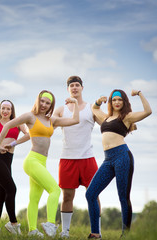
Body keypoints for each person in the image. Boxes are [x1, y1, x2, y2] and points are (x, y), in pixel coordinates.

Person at [0, 90, 80, 237]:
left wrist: (75, 103)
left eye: (47, 103)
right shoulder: (30, 116)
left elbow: (75, 120)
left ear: (51, 106)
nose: (44, 105)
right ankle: (50, 223)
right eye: (42, 101)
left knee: (34, 198)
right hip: (32, 160)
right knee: (55, 189)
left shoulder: (52, 120)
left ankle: (32, 230)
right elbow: (7, 125)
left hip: (42, 162)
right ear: (37, 100)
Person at [86, 89, 152, 239]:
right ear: (111, 102)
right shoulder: (106, 118)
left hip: (122, 157)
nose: (116, 102)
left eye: (119, 100)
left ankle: (126, 235)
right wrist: (98, 101)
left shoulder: (127, 117)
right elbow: (94, 108)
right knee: (90, 193)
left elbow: (148, 111)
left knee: (123, 196)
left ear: (124, 102)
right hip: (108, 159)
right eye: (114, 100)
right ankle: (95, 233)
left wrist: (140, 94)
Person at [53, 76, 101, 238]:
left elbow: (107, 122)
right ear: (68, 89)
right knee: (67, 196)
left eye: (77, 85)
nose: (74, 88)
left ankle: (96, 231)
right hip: (67, 158)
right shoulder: (61, 109)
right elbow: (48, 123)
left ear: (82, 88)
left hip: (88, 158)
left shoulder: (91, 108)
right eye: (71, 86)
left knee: (93, 194)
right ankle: (65, 232)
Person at [0, 100, 30, 234]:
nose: (5, 111)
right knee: (12, 189)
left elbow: (28, 135)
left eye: (8, 109)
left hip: (8, 162)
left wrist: (14, 143)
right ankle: (13, 223)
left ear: (12, 111)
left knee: (1, 196)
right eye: (3, 108)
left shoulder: (17, 123)